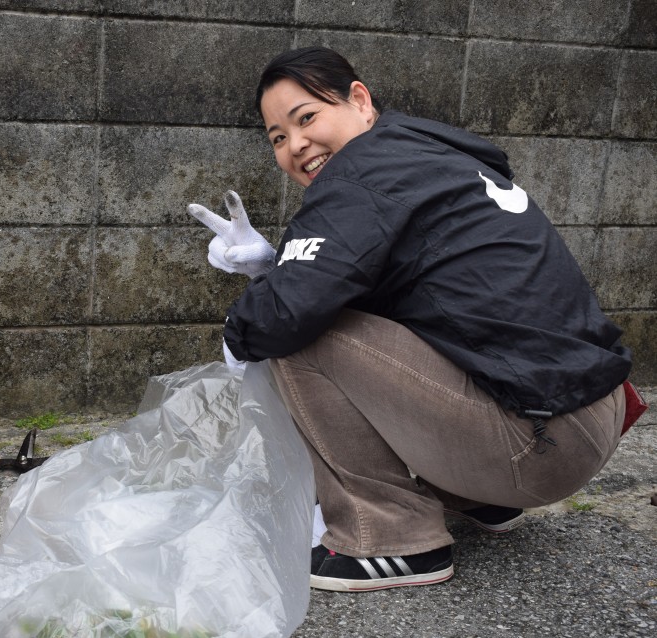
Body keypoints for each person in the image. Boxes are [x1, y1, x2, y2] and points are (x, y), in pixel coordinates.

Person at [188, 46, 644, 592]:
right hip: (582, 417)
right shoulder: (422, 153)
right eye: (278, 138)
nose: (296, 145)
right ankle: (484, 497)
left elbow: (287, 314)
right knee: (328, 312)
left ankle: (391, 536)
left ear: (359, 100)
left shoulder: (362, 178)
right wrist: (275, 267)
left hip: (539, 441)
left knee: (298, 338)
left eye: (307, 117)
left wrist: (241, 334)